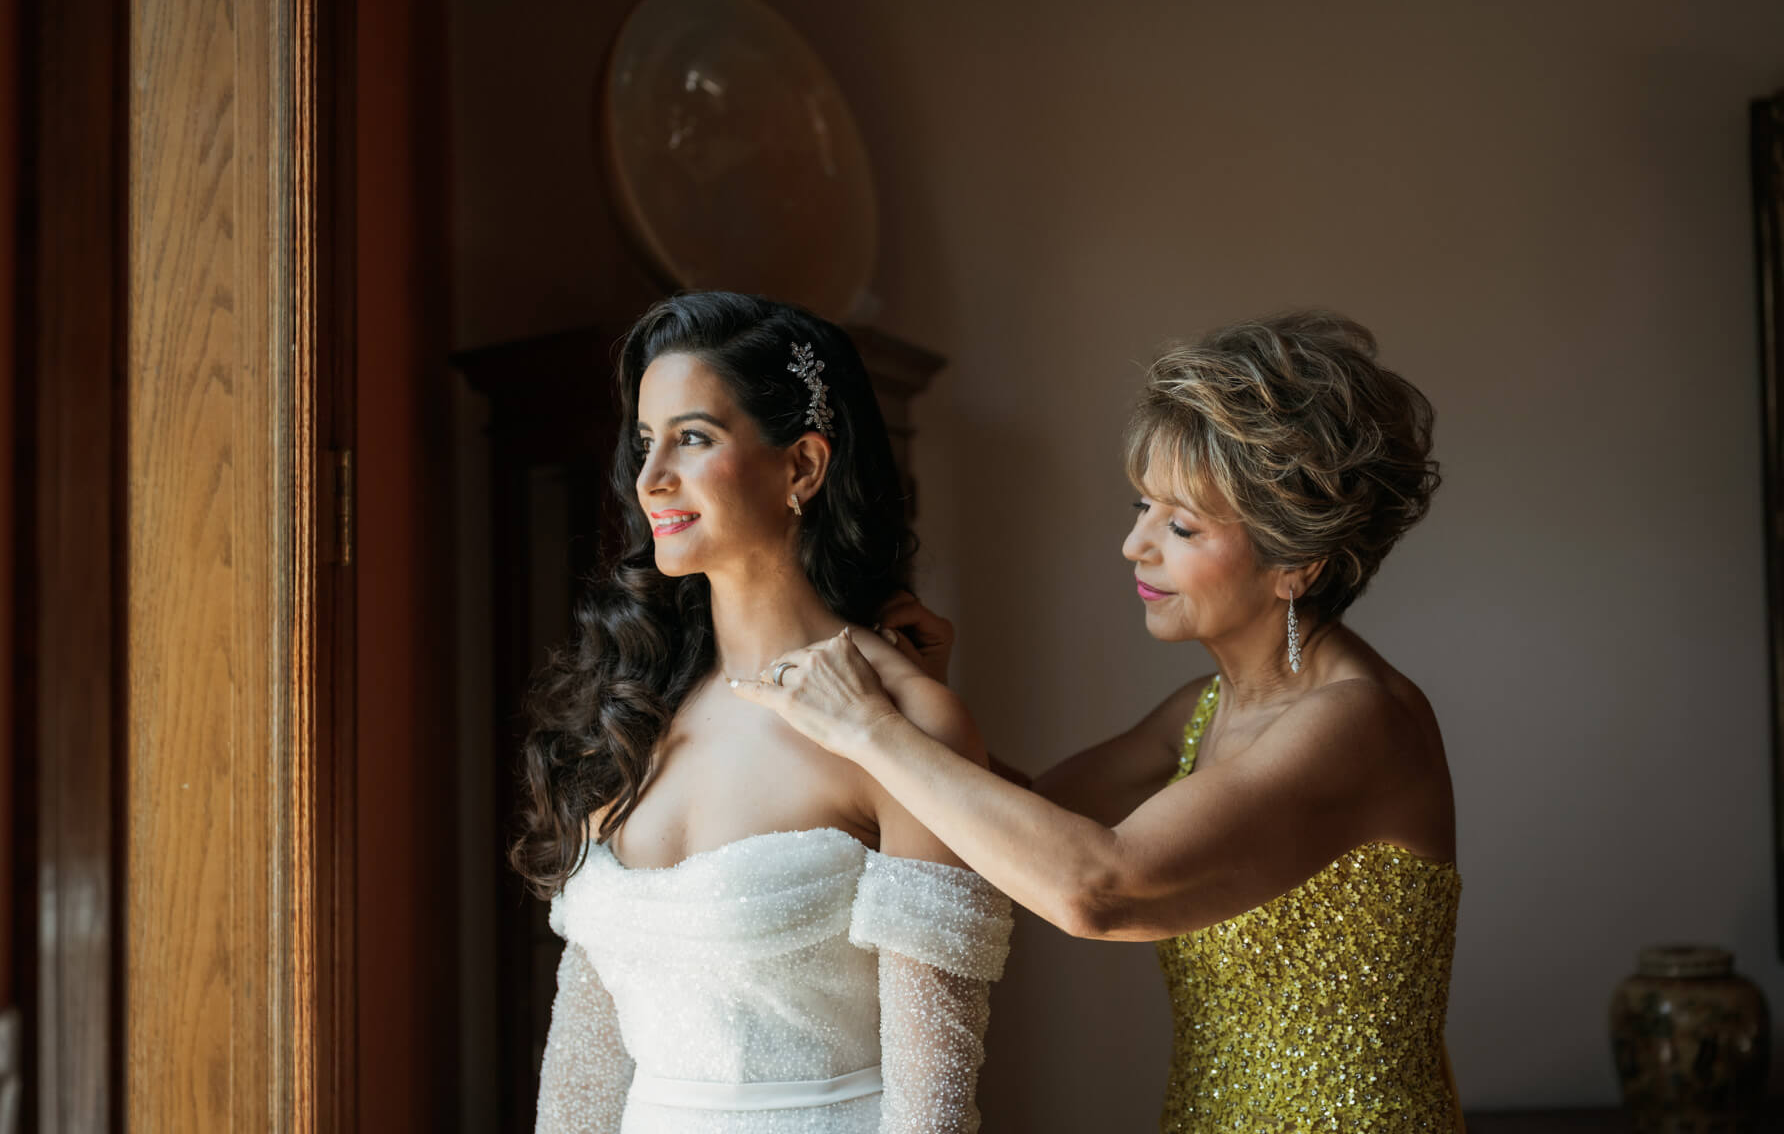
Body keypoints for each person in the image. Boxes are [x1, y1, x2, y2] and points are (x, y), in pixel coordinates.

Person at [735, 311, 1461, 1133]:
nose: (1133, 545)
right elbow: (1029, 820)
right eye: (1142, 505)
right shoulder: (1203, 709)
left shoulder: (1359, 724)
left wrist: (872, 730)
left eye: (1180, 525)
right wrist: (922, 695)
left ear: (1297, 562)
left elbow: (1095, 888)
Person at [514, 292, 1012, 1133]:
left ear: (802, 468)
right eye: (644, 442)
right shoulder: (630, 710)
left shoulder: (909, 722)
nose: (650, 478)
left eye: (693, 438)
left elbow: (932, 1110)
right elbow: (581, 1075)